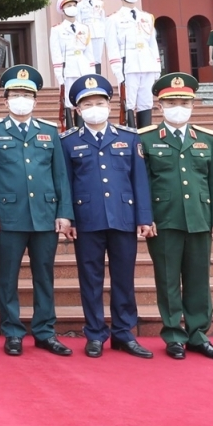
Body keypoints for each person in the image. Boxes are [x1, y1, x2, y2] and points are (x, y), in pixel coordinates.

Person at [0, 65, 74, 357]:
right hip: (8, 217)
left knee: (44, 275)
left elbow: (60, 176)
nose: (22, 99)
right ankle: (13, 331)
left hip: (45, 215)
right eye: (16, 94)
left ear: (35, 100)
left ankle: (45, 331)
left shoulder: (48, 132)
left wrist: (64, 213)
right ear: (5, 100)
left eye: (27, 95)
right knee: (8, 276)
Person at [61, 74, 154, 359]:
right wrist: (68, 219)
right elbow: (64, 182)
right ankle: (95, 333)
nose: (94, 107)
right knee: (90, 279)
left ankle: (124, 333)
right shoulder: (66, 142)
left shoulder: (129, 138)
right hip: (86, 219)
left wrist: (144, 217)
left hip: (123, 217)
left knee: (124, 278)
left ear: (109, 105)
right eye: (87, 103)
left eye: (99, 102)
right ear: (77, 110)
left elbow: (140, 181)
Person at [138, 73, 213, 361]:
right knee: (167, 280)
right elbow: (142, 183)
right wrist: (145, 217)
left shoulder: (205, 138)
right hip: (164, 219)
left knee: (198, 279)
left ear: (192, 105)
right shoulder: (146, 138)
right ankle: (174, 335)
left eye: (183, 102)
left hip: (199, 218)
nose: (178, 106)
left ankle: (198, 335)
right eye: (171, 101)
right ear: (160, 106)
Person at [106, 0, 160, 128]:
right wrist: (117, 71)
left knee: (146, 102)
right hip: (128, 65)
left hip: (147, 63)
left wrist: (157, 67)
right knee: (128, 102)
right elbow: (112, 46)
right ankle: (130, 136)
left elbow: (152, 43)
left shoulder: (147, 17)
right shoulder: (114, 19)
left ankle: (145, 136)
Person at [51, 0, 96, 127]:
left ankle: (83, 128)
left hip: (83, 67)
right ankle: (70, 130)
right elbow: (56, 54)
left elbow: (89, 53)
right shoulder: (57, 30)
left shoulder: (84, 28)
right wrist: (60, 75)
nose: (72, 7)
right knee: (68, 103)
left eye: (74, 5)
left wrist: (91, 72)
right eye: (69, 5)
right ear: (63, 9)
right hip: (68, 68)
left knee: (82, 99)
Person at [75, 0, 107, 74]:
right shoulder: (80, 5)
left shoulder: (99, 3)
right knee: (88, 57)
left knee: (98, 58)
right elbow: (79, 21)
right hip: (87, 33)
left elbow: (102, 19)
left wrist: (104, 33)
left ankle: (98, 77)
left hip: (99, 32)